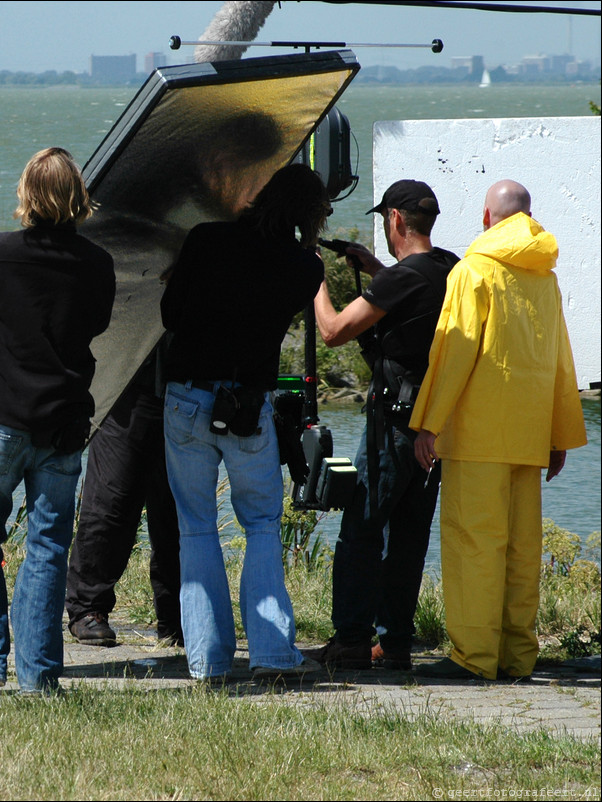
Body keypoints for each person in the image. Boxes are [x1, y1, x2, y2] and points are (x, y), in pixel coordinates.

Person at [0, 147, 116, 695]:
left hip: (3, 418)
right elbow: (100, 322)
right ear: (77, 199)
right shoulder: (96, 263)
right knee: (47, 546)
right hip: (63, 422)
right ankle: (39, 676)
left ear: (26, 195)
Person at [410, 179, 586, 681]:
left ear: (487, 218)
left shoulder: (474, 272)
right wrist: (558, 434)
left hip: (477, 435)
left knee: (474, 543)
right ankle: (516, 656)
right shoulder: (544, 278)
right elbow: (559, 360)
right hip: (528, 436)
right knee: (519, 549)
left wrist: (429, 423)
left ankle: (473, 658)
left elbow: (453, 354)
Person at [160, 163, 329, 682]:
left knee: (195, 527)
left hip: (187, 397)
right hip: (248, 408)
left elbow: (171, 314)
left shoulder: (206, 239)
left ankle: (209, 661)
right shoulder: (304, 268)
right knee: (260, 525)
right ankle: (273, 654)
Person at [310, 180, 460, 671]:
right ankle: (394, 643)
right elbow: (411, 291)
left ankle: (352, 640)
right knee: (409, 538)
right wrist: (373, 269)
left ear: (395, 219)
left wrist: (317, 279)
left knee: (361, 532)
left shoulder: (401, 279)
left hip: (393, 428)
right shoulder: (451, 269)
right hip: (434, 429)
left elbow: (333, 331)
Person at [64, 345, 182, 647]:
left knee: (182, 511)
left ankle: (178, 619)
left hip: (189, 382)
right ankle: (87, 608)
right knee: (111, 503)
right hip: (129, 382)